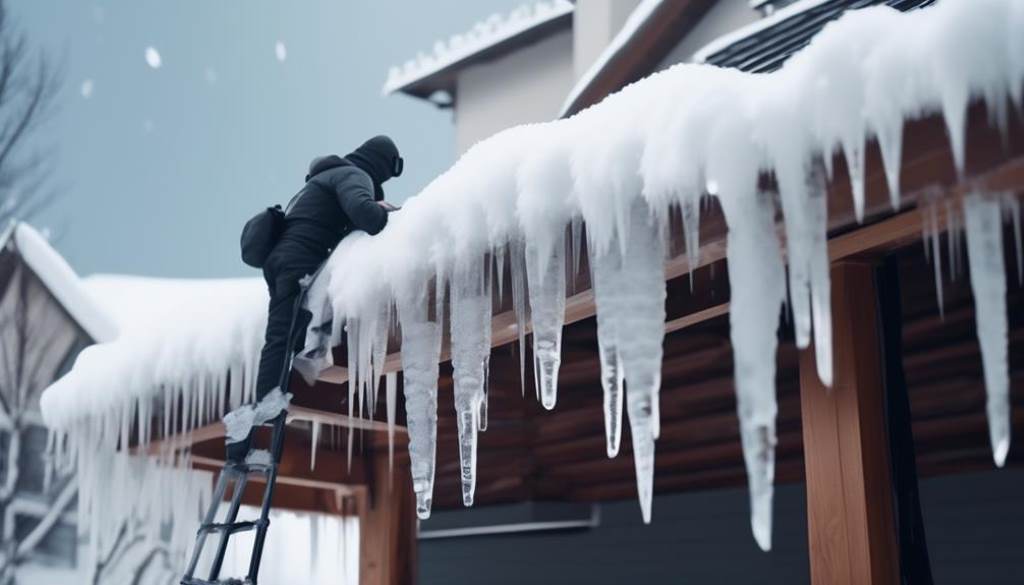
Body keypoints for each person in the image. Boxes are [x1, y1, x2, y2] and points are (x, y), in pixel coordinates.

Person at [225, 135, 404, 461]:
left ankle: (257, 420)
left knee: (282, 340)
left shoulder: (319, 180)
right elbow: (367, 217)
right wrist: (381, 210)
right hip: (299, 262)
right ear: (382, 163)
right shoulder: (353, 175)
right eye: (393, 170)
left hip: (280, 262)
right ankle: (257, 420)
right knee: (281, 341)